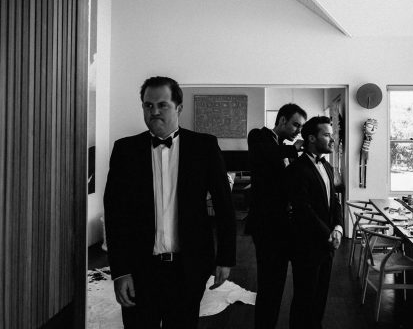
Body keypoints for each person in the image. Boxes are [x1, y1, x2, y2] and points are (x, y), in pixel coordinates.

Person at [103, 76, 236, 329]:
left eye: (162, 105)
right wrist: (120, 271)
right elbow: (115, 213)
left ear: (179, 108)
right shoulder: (125, 150)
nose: (154, 111)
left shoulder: (204, 147)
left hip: (189, 267)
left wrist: (225, 258)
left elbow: (224, 205)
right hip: (140, 269)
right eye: (148, 105)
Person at [246, 103, 307, 329]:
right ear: (282, 120)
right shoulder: (258, 136)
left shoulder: (282, 147)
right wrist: (295, 149)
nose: (298, 131)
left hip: (282, 225)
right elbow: (266, 154)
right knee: (268, 283)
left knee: (277, 283)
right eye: (295, 125)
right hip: (265, 226)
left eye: (301, 128)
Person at [286, 116, 343, 329]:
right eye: (327, 135)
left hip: (327, 245)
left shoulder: (327, 167)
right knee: (304, 298)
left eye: (332, 135)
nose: (332, 139)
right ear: (311, 138)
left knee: (320, 297)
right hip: (306, 245)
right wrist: (328, 233)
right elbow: (303, 208)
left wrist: (338, 228)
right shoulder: (296, 169)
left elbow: (334, 201)